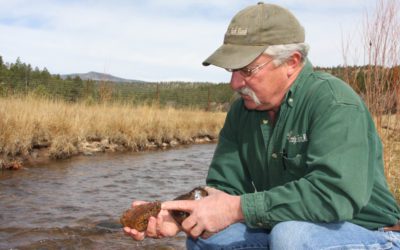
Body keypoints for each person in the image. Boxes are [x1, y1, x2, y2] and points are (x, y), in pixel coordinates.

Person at [124, 2, 400, 249]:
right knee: (205, 237)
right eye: (231, 71)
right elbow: (223, 189)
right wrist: (178, 214)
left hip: (370, 232)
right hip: (286, 225)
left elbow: (333, 196)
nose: (234, 84)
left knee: (290, 237)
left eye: (247, 71)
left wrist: (237, 209)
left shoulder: (334, 102)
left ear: (292, 62)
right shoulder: (242, 111)